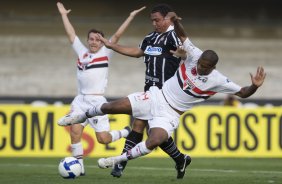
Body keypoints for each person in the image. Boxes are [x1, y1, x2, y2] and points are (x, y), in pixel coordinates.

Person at [58, 11, 266, 178]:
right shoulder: (184, 50)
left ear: (212, 67)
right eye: (200, 64)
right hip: (156, 93)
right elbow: (183, 38)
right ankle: (82, 116)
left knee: (155, 137)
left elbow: (243, 92)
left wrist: (254, 86)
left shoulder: (218, 79)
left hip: (171, 111)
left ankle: (119, 161)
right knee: (116, 107)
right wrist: (176, 22)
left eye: (205, 67)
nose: (200, 68)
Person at [96, 4, 191, 179]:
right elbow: (138, 51)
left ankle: (120, 164)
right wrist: (111, 46)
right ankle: (180, 159)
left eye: (157, 20)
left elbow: (187, 53)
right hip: (150, 90)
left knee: (146, 129)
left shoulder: (174, 36)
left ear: (167, 19)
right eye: (152, 20)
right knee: (144, 127)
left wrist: (183, 55)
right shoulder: (151, 37)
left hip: (167, 94)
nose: (154, 23)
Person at [56, 2, 146, 176]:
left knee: (103, 139)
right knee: (74, 131)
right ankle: (79, 168)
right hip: (80, 99)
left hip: (96, 101)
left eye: (98, 39)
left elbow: (118, 34)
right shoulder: (82, 52)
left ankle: (125, 132)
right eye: (91, 39)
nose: (94, 42)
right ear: (87, 40)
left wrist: (131, 16)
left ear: (102, 41)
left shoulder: (106, 52)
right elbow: (71, 34)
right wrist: (64, 15)